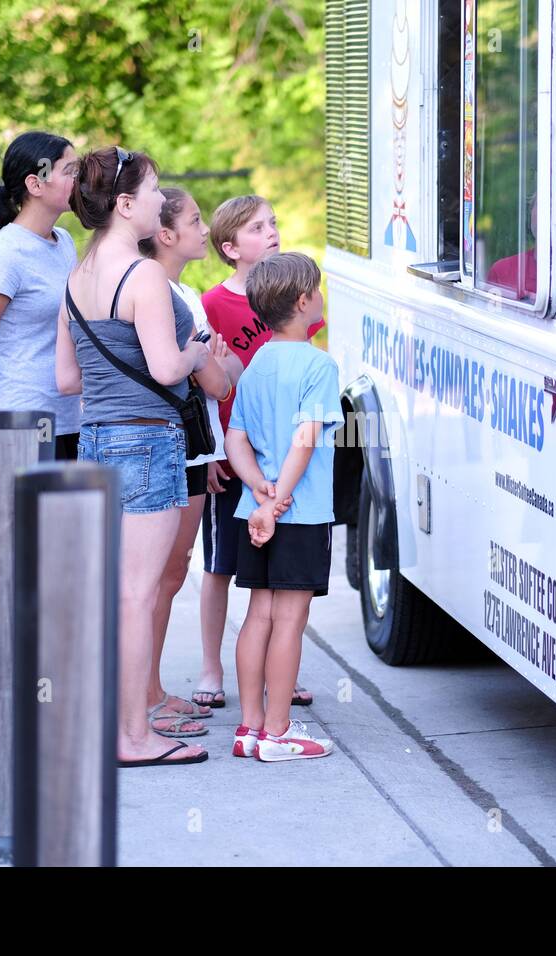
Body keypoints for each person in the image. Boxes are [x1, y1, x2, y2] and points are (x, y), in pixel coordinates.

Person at [55, 146, 226, 766]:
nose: (161, 201)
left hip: (96, 441)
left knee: (115, 591)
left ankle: (115, 726)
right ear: (125, 205)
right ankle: (134, 736)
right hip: (148, 439)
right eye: (153, 192)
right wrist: (198, 352)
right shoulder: (145, 276)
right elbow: (165, 366)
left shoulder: (76, 276)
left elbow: (67, 378)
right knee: (138, 593)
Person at [195, 194, 325, 710]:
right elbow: (203, 383)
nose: (271, 232)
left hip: (278, 465)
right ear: (230, 247)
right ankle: (211, 667)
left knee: (275, 581)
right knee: (223, 565)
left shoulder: (294, 295)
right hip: (235, 462)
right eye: (256, 227)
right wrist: (209, 456)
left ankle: (279, 675)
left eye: (273, 222)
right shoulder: (211, 305)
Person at [222, 253, 342, 762]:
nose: (319, 296)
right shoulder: (319, 364)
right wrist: (280, 501)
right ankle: (278, 731)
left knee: (258, 615)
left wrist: (260, 490)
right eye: (315, 290)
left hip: (252, 510)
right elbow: (306, 438)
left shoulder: (256, 366)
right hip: (299, 514)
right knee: (289, 622)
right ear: (301, 302)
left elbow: (235, 439)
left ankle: (248, 728)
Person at [138, 186, 244, 727]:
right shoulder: (170, 296)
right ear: (166, 235)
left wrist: (211, 365)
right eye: (196, 221)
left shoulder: (183, 294)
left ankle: (151, 688)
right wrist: (209, 361)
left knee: (172, 572)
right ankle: (146, 695)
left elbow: (215, 377)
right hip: (174, 447)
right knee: (160, 575)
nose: (205, 229)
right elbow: (212, 379)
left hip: (194, 449)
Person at [0, 131, 83, 457]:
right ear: (35, 184)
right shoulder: (5, 255)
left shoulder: (63, 241)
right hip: (22, 428)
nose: (80, 180)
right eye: (69, 171)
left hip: (70, 422)